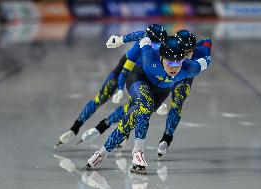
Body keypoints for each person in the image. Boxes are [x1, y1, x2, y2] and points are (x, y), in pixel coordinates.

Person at [85, 36, 212, 175]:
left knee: (132, 118)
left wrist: (205, 58)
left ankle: (101, 153)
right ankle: (138, 152)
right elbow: (143, 35)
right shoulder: (150, 55)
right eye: (170, 63)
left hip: (161, 91)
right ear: (162, 57)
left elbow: (206, 55)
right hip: (138, 79)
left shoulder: (190, 68)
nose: (174, 68)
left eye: (178, 63)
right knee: (145, 104)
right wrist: (121, 39)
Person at [55, 24, 167, 147]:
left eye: (159, 45)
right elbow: (125, 71)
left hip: (143, 75)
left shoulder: (164, 48)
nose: (157, 48)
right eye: (155, 45)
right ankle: (74, 128)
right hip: (127, 69)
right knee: (103, 96)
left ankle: (109, 127)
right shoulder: (141, 45)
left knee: (135, 106)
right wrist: (119, 89)